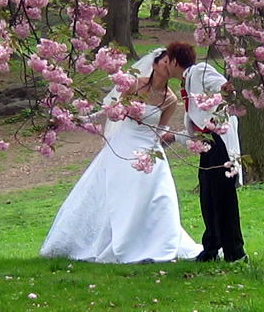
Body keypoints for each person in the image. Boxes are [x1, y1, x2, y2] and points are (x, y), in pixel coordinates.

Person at [40, 48, 202, 264]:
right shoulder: (134, 86)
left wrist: (177, 141)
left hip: (149, 150)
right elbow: (113, 111)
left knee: (159, 196)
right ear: (154, 65)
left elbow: (160, 131)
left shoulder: (170, 99)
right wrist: (81, 119)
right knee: (119, 193)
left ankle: (157, 241)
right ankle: (114, 240)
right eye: (163, 61)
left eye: (168, 62)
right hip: (124, 143)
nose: (165, 65)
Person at [162, 42, 247, 263]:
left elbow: (219, 86)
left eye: (167, 60)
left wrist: (224, 89)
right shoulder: (187, 80)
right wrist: (173, 137)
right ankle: (212, 248)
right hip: (207, 143)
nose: (165, 65)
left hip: (219, 141)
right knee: (208, 197)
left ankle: (235, 252)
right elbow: (196, 126)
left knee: (223, 197)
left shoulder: (199, 71)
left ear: (173, 61)